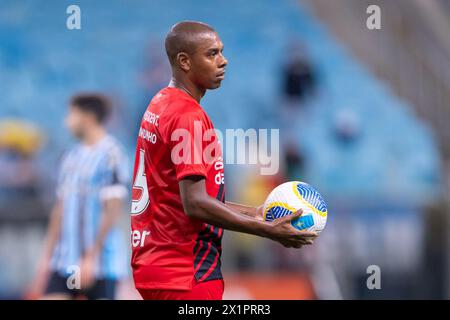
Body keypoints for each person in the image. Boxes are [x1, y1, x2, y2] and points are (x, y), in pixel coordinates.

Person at [131, 21, 317, 301]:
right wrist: (267, 230)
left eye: (222, 52)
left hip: (156, 265)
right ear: (184, 61)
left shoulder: (160, 103)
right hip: (187, 272)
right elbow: (195, 204)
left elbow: (181, 198)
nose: (223, 61)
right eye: (212, 54)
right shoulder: (187, 116)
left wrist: (256, 212)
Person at [27, 94, 129, 300]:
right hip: (66, 260)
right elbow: (60, 209)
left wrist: (91, 257)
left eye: (71, 115)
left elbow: (112, 208)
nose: (67, 121)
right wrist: (46, 259)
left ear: (87, 117)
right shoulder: (70, 156)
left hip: (100, 264)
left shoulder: (111, 154)